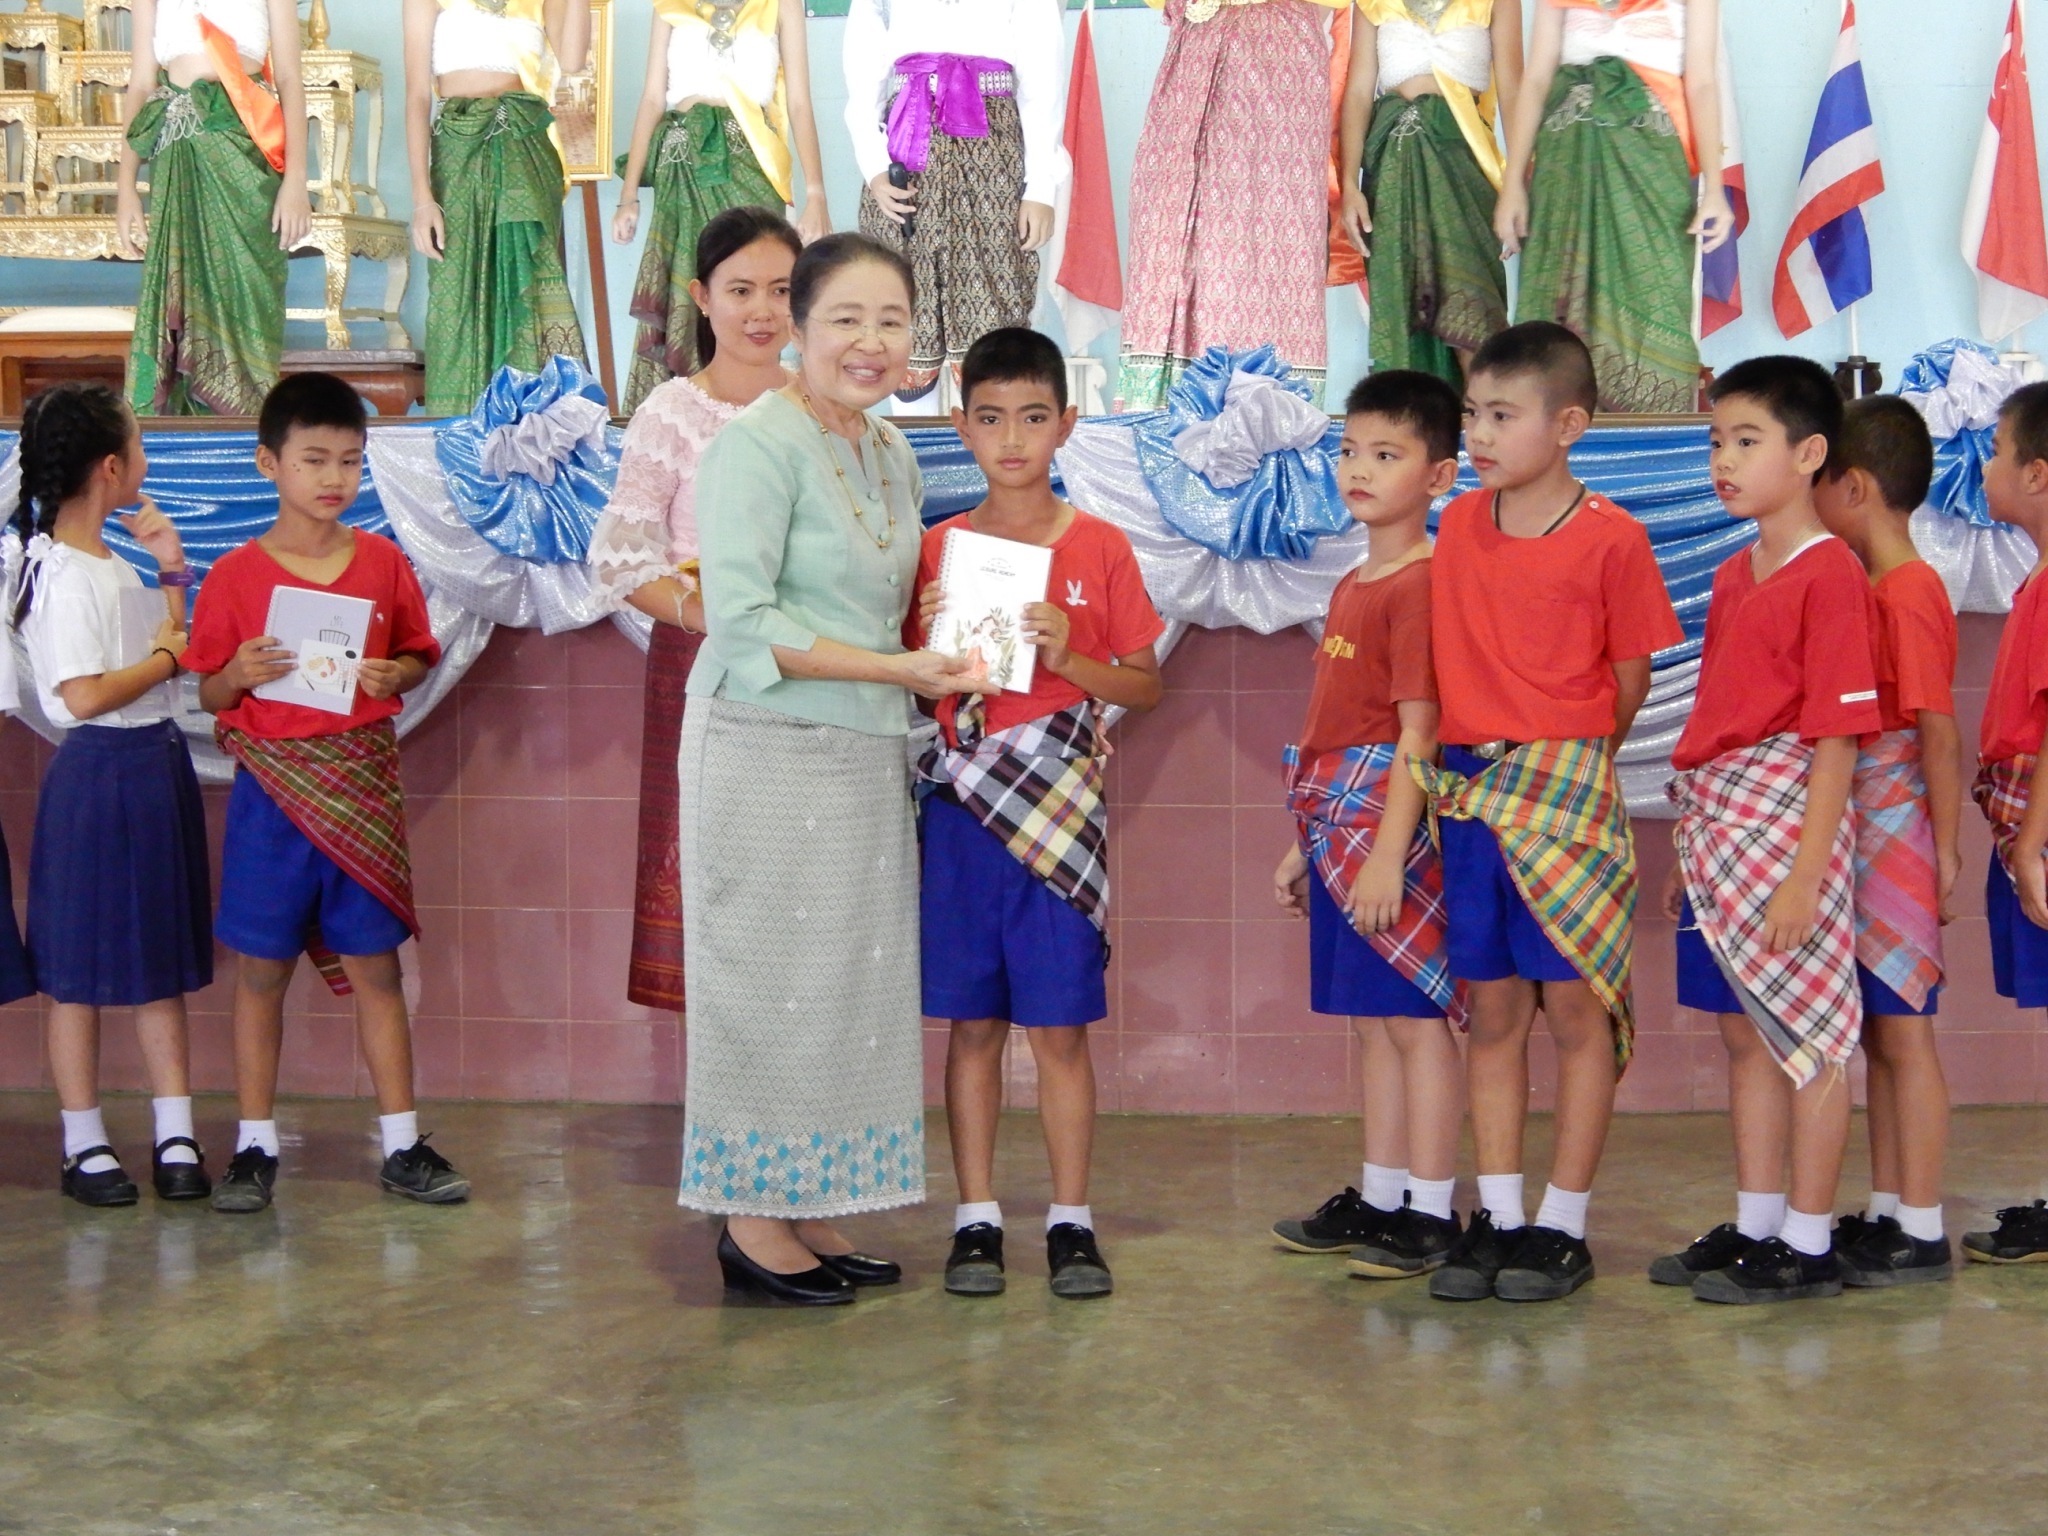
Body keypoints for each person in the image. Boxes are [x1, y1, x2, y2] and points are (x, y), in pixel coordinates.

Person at [681, 233, 984, 1305]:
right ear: (797, 330)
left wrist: (944, 626)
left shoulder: (891, 448)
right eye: (845, 319)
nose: (870, 342)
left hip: (863, 750)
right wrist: (897, 666)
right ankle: (749, 1222)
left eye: (891, 321)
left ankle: (803, 1204)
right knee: (766, 984)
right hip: (764, 746)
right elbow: (741, 619)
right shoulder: (754, 447)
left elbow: (882, 602)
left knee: (841, 988)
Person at [1422, 321, 1682, 1302]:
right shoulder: (1456, 525)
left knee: (1575, 1007)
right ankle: (1495, 1214)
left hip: (1564, 790)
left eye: (1503, 415)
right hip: (1468, 794)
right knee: (1491, 1008)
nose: (1480, 435)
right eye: (1472, 414)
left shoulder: (1612, 537)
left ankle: (1562, 1224)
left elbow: (1628, 680)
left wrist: (1562, 767)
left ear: (1568, 425)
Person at [908, 327, 1165, 1301]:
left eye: (1030, 417)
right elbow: (913, 684)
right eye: (989, 418)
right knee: (971, 1024)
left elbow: (1141, 686)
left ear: (1066, 423)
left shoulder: (1099, 546)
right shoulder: (939, 548)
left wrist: (1067, 658)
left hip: (1059, 810)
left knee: (1059, 1030)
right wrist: (928, 641)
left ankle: (1070, 1220)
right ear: (960, 426)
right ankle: (975, 1218)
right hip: (963, 812)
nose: (1010, 439)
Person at [181, 373, 467, 1213]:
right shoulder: (234, 575)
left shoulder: (382, 563)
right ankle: (254, 1147)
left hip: (360, 791)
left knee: (377, 967)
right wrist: (237, 673)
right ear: (268, 463)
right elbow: (209, 693)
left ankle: (403, 1143)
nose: (333, 477)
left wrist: (397, 674)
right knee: (261, 972)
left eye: (349, 459)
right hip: (271, 802)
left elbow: (415, 657)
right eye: (313, 459)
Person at [1657, 356, 1876, 1305]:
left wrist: (1805, 876)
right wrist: (1691, 841)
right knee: (1745, 1036)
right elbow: (1717, 717)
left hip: (1788, 836)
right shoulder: (1731, 572)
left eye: (1747, 441)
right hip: (1720, 829)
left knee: (1812, 1039)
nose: (1724, 460)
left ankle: (1810, 1240)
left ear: (1810, 453)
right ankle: (1756, 1227)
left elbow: (1835, 740)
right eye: (1717, 440)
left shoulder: (1833, 575)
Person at [1268, 371, 1466, 1278]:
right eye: (1350, 450)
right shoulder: (1354, 581)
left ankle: (1431, 1209)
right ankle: (1383, 1196)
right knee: (1374, 1022)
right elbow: (1337, 727)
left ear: (1439, 476)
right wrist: (1302, 845)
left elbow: (1418, 732)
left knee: (1416, 1022)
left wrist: (1388, 856)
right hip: (1337, 826)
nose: (1360, 469)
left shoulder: (1420, 583)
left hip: (1390, 831)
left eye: (1387, 455)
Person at [589, 207, 802, 1012]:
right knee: (711, 865)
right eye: (740, 290)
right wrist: (717, 617)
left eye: (782, 290)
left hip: (812, 665)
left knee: (799, 865)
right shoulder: (672, 412)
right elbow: (619, 560)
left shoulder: (823, 407)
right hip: (701, 664)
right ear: (701, 297)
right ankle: (717, 1071)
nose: (762, 311)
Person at [10, 383, 206, 1206]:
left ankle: (175, 1131)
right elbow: (86, 694)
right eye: (139, 444)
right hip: (98, 772)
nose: (145, 459)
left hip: (152, 762)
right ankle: (83, 1141)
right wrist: (165, 660)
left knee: (156, 961)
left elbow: (168, 647)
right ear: (110, 468)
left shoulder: (110, 562)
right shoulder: (59, 571)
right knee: (79, 971)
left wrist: (170, 567)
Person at [1813, 396, 1959, 1287]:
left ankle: (1924, 1222)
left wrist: (1943, 849)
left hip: (1897, 830)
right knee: (1875, 1036)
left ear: (1856, 487)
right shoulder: (1873, 588)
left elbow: (1936, 731)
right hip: (1864, 829)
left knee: (1906, 1037)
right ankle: (1887, 1206)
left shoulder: (1909, 591)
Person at [1494, 0, 1733, 414]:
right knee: (1554, 302)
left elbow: (1702, 83)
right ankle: (1546, 431)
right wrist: (1512, 183)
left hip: (1651, 169)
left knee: (1654, 295)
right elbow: (1536, 80)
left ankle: (1647, 437)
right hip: (1564, 167)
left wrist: (1715, 188)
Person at [1118, 0, 1349, 411]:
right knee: (1170, 241)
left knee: (1266, 251)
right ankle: (1166, 413)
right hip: (1192, 67)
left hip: (1279, 68)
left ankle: (1269, 417)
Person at [611, 0, 830, 413]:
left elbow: (799, 102)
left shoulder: (782, 6)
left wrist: (816, 193)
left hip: (751, 167)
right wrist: (629, 195)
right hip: (683, 167)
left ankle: (757, 416)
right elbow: (652, 99)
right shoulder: (669, 6)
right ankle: (683, 417)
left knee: (755, 289)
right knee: (688, 290)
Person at [843, 0, 1064, 407]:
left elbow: (1042, 84)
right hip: (906, 152)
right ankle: (911, 442)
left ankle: (986, 438)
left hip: (993, 155)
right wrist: (874, 167)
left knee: (994, 307)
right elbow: (862, 78)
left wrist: (1040, 188)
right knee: (901, 306)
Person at [117, 0, 311, 416]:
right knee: (178, 296)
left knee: (247, 295)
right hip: (176, 153)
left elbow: (290, 79)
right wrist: (126, 186)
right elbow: (141, 83)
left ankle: (245, 424)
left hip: (246, 152)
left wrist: (296, 180)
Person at [404, 0, 592, 417]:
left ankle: (534, 430)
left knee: (531, 289)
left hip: (525, 149)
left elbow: (574, 60)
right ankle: (459, 430)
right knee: (456, 303)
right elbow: (416, 96)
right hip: (456, 153)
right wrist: (422, 199)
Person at [1961, 380, 2048, 1267]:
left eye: (1994, 450)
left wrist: (2030, 844)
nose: (1983, 468)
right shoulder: (2037, 578)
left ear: (2038, 473)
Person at [1337, 1, 1521, 387]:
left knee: (1474, 314)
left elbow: (1512, 90)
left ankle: (1486, 416)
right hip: (1391, 167)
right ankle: (1412, 419)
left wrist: (1518, 184)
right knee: (1402, 313)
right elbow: (1358, 91)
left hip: (1464, 165)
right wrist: (1349, 184)